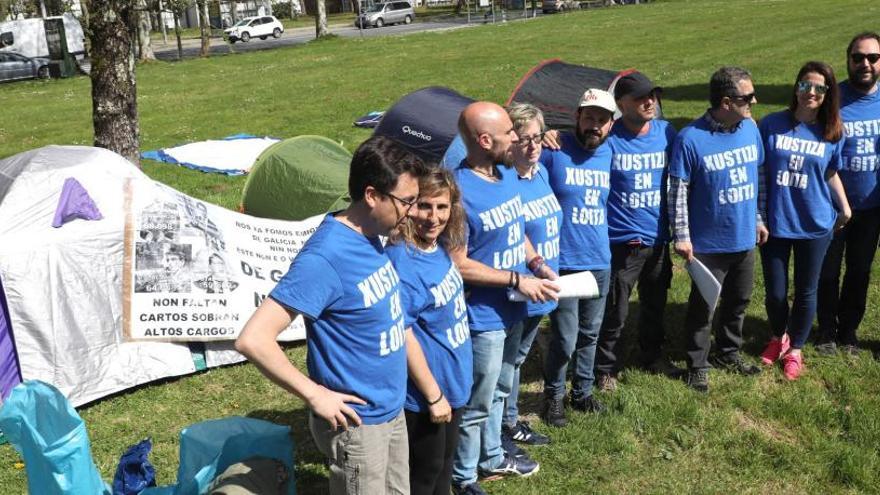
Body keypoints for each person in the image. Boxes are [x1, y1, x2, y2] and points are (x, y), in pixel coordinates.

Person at [235, 136, 428, 495]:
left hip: (391, 407)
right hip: (358, 424)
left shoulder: (372, 234)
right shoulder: (324, 259)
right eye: (407, 202)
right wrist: (315, 395)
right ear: (372, 196)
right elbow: (253, 339)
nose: (414, 212)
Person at [450, 101, 559, 495]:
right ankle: (463, 478)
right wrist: (517, 277)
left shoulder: (506, 174)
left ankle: (493, 455)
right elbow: (458, 263)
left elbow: (518, 229)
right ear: (484, 140)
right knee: (478, 400)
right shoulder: (458, 192)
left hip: (513, 306)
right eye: (509, 133)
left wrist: (535, 260)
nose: (516, 138)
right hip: (483, 317)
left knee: (500, 388)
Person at [668, 66, 765, 393]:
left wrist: (759, 218)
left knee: (739, 299)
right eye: (748, 97)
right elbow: (678, 190)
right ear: (726, 102)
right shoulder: (690, 139)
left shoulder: (750, 128)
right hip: (708, 245)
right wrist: (681, 235)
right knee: (703, 305)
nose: (754, 101)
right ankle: (697, 363)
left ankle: (728, 352)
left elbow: (758, 176)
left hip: (744, 238)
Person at [757, 61, 851, 380]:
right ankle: (777, 337)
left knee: (807, 290)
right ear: (795, 87)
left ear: (827, 95)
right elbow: (758, 171)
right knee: (776, 293)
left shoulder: (833, 132)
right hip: (776, 222)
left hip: (815, 223)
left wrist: (845, 208)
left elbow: (829, 171)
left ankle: (795, 348)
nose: (811, 92)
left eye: (819, 88)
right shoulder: (770, 124)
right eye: (805, 85)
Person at [386, 167, 473, 495]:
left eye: (442, 207)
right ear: (408, 206)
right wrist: (433, 395)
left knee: (445, 465)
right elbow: (404, 334)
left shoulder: (436, 247)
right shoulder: (403, 260)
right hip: (426, 393)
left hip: (453, 381)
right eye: (424, 206)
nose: (433, 217)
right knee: (425, 473)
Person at [593, 71, 682, 391]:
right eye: (641, 98)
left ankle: (652, 355)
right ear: (621, 105)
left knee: (655, 303)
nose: (650, 102)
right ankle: (604, 368)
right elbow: (575, 146)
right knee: (615, 311)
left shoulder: (666, 132)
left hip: (658, 238)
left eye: (653, 95)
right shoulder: (609, 137)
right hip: (621, 243)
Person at [538, 88, 616, 427]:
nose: (594, 125)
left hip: (600, 257)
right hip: (564, 260)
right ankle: (554, 395)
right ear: (577, 118)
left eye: (601, 120)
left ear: (610, 125)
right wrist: (544, 135)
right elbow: (522, 168)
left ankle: (582, 391)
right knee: (565, 337)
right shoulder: (554, 150)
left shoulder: (610, 152)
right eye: (589, 118)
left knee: (590, 333)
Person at [500, 103, 561, 451]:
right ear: (510, 142)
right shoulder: (505, 181)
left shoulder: (540, 173)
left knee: (519, 357)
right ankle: (503, 429)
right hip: (520, 287)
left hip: (545, 286)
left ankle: (509, 422)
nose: (533, 146)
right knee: (508, 361)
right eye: (523, 140)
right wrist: (535, 266)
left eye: (537, 137)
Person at [816, 32, 880, 357]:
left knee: (859, 270)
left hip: (872, 207)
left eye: (872, 58)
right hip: (832, 205)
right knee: (827, 270)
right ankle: (826, 329)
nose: (865, 64)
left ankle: (849, 330)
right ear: (848, 59)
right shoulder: (834, 99)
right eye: (858, 58)